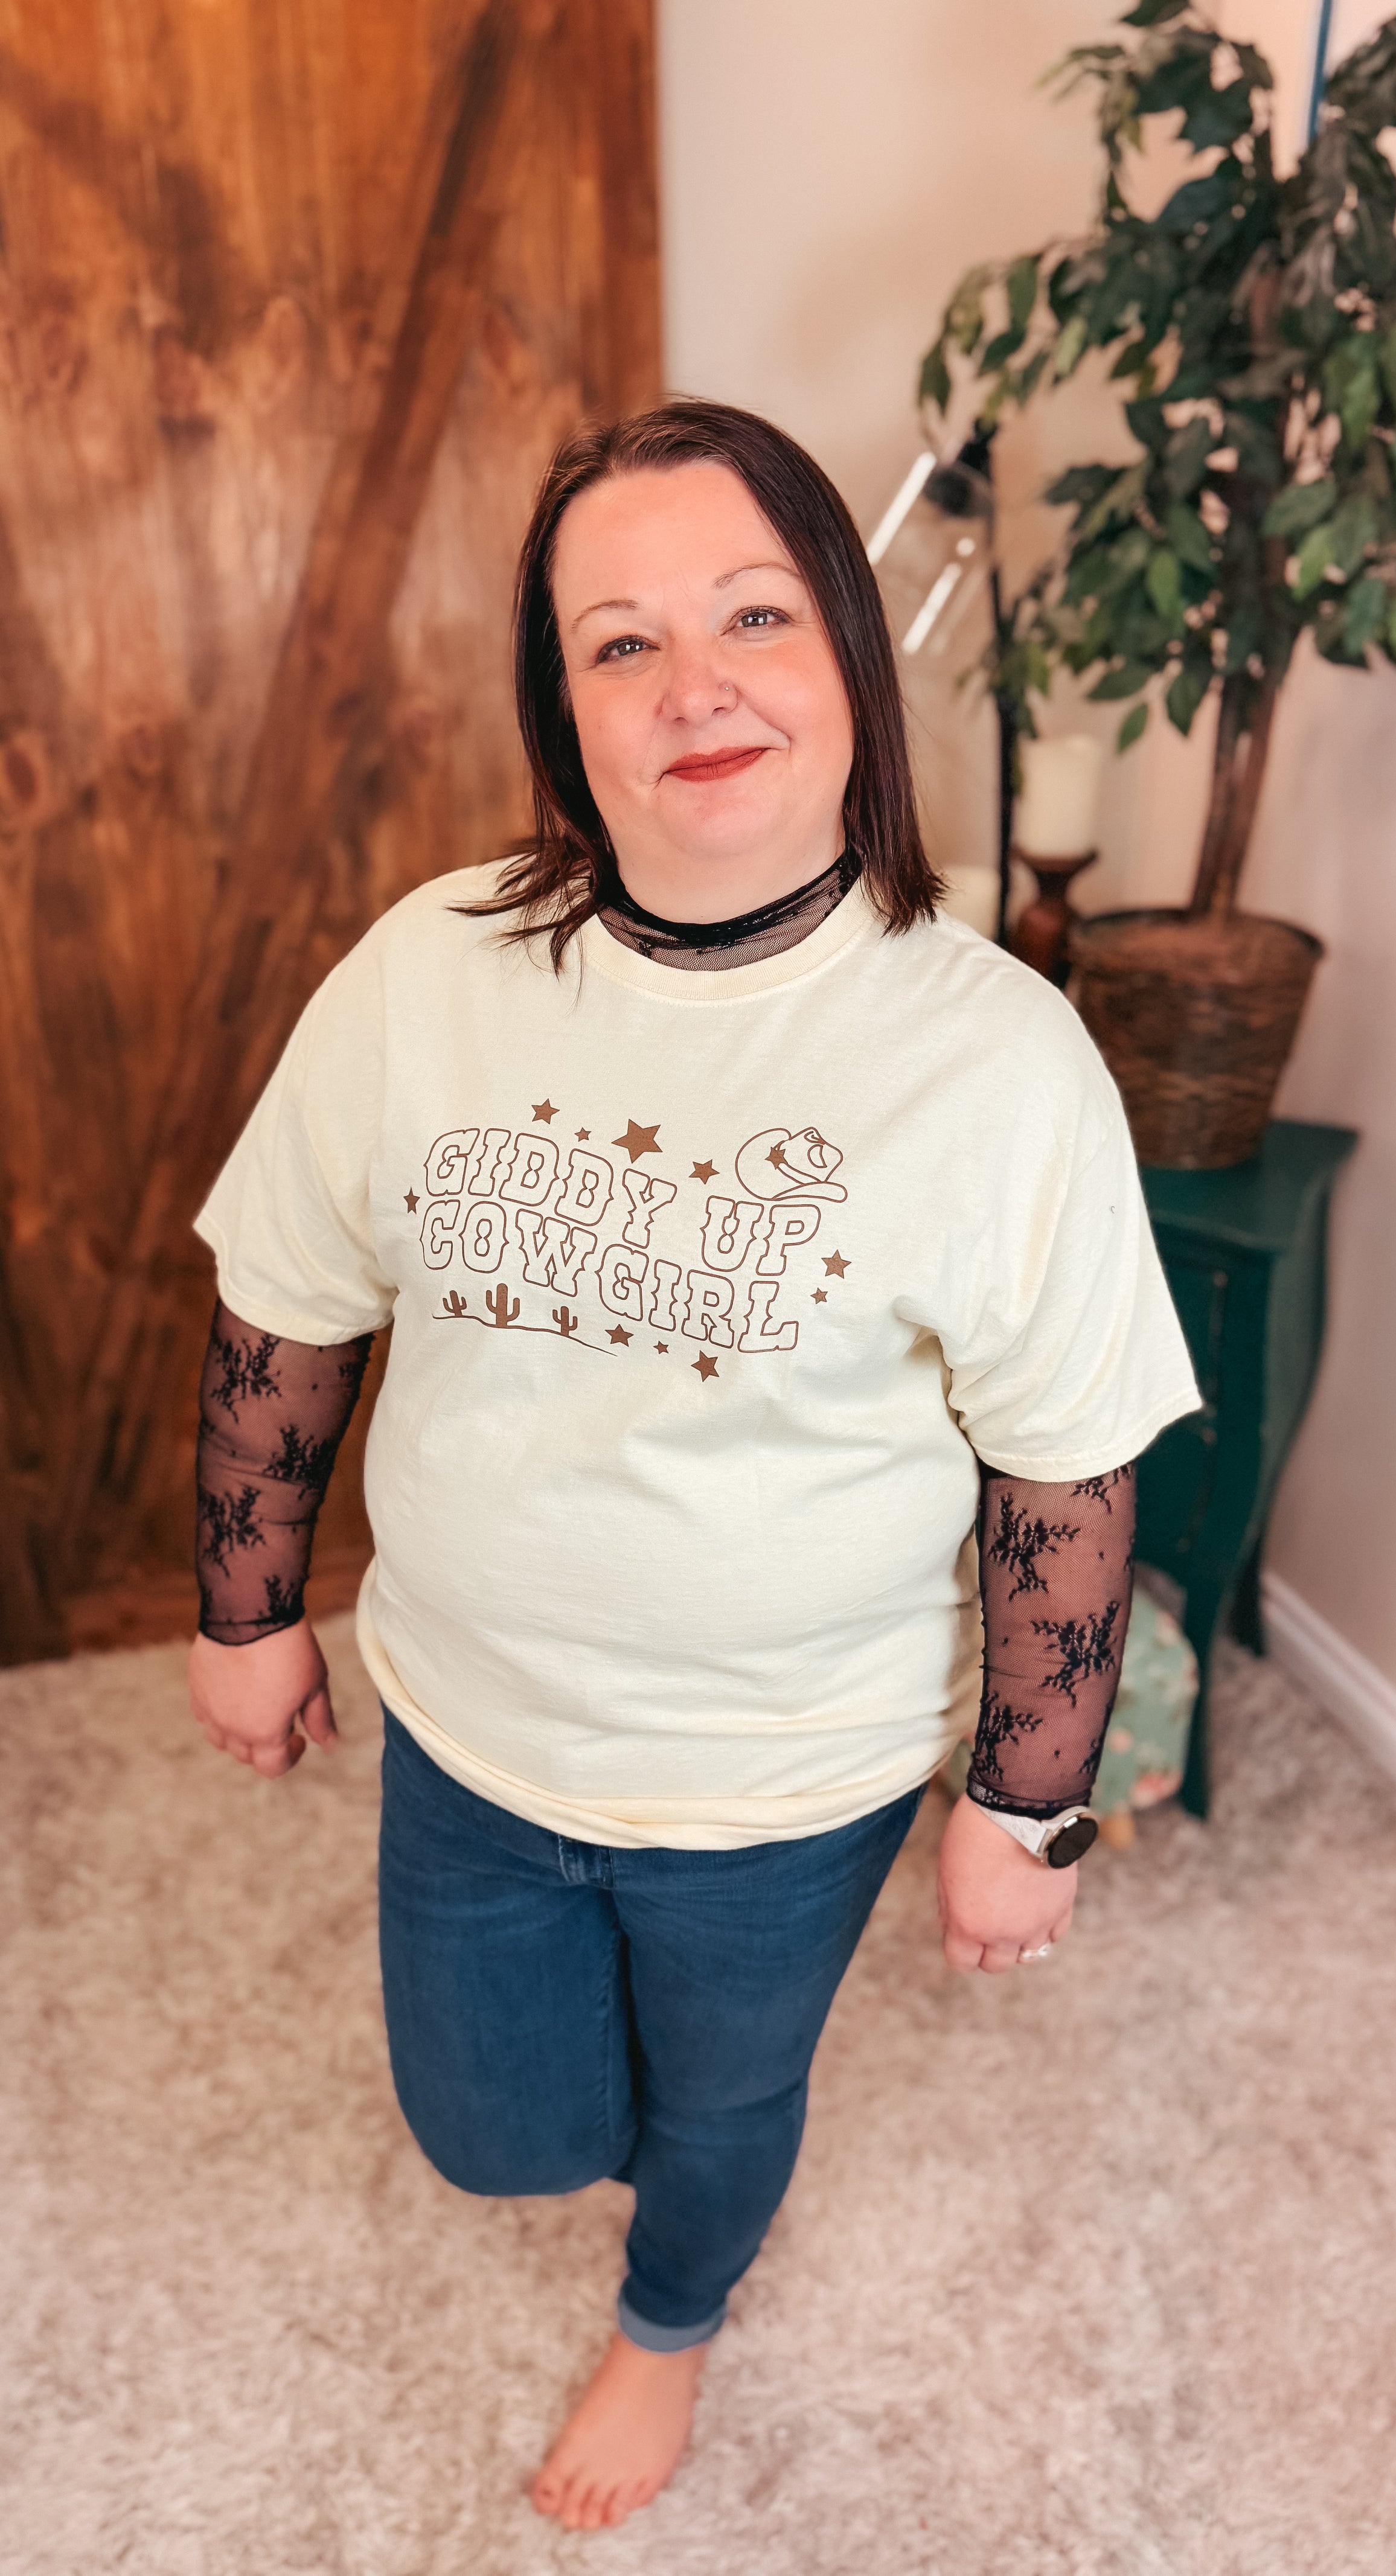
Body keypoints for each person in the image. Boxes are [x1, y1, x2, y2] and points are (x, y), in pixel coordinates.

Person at [188, 399, 1198, 2533]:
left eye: (753, 616)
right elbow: (287, 1302)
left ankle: (672, 2319)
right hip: (472, 1733)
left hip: (787, 1785)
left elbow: (1066, 1475)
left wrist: (1030, 1804)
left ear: (848, 659)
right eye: (620, 641)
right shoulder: (429, 973)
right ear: (564, 712)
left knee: (724, 2106)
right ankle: (632, 2169)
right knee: (492, 2129)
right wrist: (246, 1610)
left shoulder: (997, 1057)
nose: (694, 685)